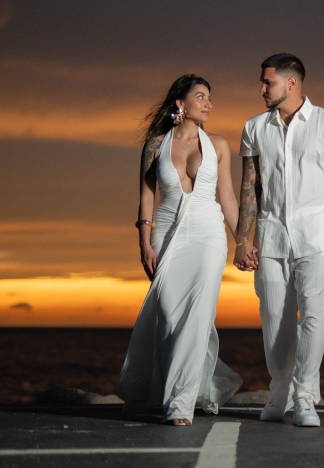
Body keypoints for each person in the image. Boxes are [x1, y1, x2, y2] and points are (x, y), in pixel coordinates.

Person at [233, 53, 324, 427]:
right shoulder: (254, 127)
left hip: (318, 235)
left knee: (314, 316)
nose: (261, 89)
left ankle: (305, 396)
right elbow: (249, 186)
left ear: (291, 83)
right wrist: (243, 239)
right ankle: (280, 391)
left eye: (267, 82)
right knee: (274, 317)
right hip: (272, 235)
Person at [114, 75, 245, 426]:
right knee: (170, 317)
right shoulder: (155, 145)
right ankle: (171, 389)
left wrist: (243, 240)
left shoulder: (218, 145)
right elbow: (145, 198)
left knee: (198, 315)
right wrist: (144, 243)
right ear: (180, 104)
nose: (208, 103)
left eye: (210, 98)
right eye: (200, 97)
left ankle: (180, 405)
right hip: (167, 235)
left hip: (208, 236)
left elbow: (228, 198)